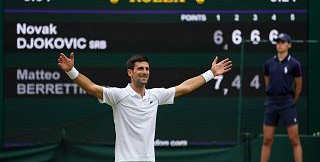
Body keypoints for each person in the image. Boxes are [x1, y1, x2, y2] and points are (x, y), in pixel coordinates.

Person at [58, 53, 232, 162]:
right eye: (140, 68)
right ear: (130, 73)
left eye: (147, 69)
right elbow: (91, 88)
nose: (144, 72)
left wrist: (211, 73)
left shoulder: (155, 96)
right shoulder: (118, 96)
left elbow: (185, 87)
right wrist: (71, 71)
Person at [260, 33, 303, 162]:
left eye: (283, 42)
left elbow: (298, 86)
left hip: (287, 103)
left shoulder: (295, 64)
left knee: (294, 139)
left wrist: (291, 101)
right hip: (272, 103)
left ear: (289, 45)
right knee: (267, 140)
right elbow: (267, 82)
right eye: (278, 42)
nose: (280, 44)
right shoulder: (269, 63)